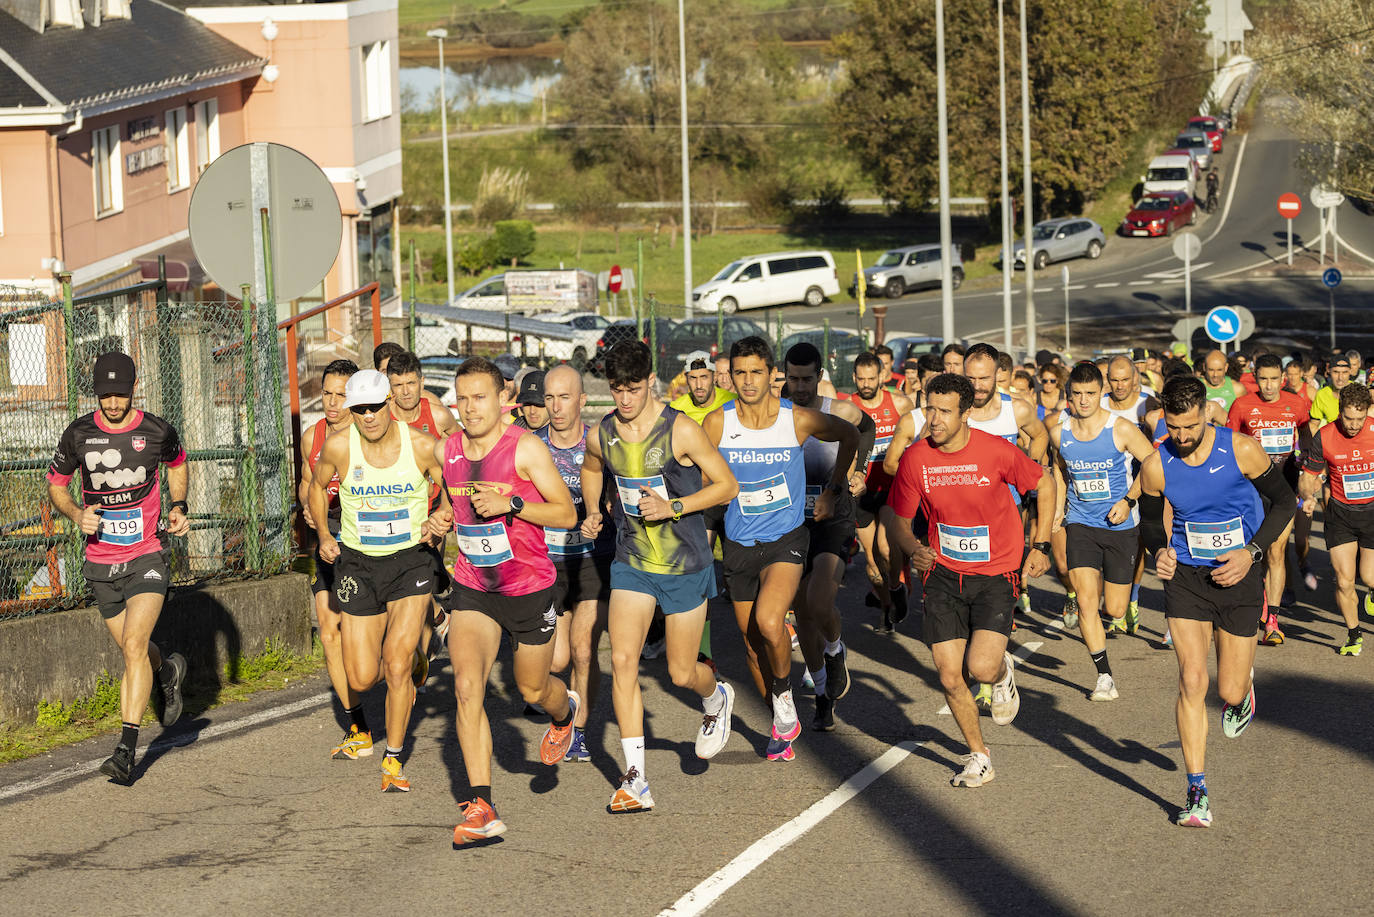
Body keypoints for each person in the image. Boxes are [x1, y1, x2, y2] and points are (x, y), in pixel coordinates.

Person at [580, 341, 740, 811]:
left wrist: (674, 506)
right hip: (632, 561)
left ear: (650, 381)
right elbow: (593, 467)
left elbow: (726, 485)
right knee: (624, 661)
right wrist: (593, 510)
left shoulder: (681, 430)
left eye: (632, 389)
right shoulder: (603, 433)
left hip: (685, 564)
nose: (624, 399)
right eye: (616, 390)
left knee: (681, 670)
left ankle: (716, 698)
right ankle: (636, 780)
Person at [1139, 375, 1296, 827]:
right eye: (1174, 427)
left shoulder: (1241, 450)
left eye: (1190, 426)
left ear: (1207, 412)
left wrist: (1251, 555)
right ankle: (1196, 790)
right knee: (1191, 679)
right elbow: (1150, 521)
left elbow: (1283, 504)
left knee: (1226, 689)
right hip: (1188, 577)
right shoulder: (1157, 464)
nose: (1182, 437)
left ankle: (1242, 691)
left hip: (1240, 577)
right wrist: (1160, 552)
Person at [886, 373, 1054, 787]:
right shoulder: (915, 458)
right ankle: (979, 755)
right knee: (947, 674)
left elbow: (1044, 484)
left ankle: (1000, 673)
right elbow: (898, 520)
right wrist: (912, 549)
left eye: (945, 411)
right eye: (930, 408)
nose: (935, 419)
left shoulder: (995, 452)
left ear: (966, 414)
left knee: (980, 668)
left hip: (997, 573)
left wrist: (1042, 544)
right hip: (944, 574)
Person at [439, 356, 581, 843]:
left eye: (480, 398)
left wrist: (512, 504)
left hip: (527, 587)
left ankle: (564, 715)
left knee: (533, 691)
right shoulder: (449, 449)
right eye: (462, 398)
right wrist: (438, 520)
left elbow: (566, 513)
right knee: (466, 687)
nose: (470, 408)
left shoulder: (524, 450)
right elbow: (449, 501)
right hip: (474, 586)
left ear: (504, 400)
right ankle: (481, 805)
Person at [704, 336, 859, 761]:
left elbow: (849, 436)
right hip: (738, 542)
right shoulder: (718, 423)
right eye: (740, 372)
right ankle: (780, 719)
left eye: (756, 371)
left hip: (787, 540)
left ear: (772, 375)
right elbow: (703, 482)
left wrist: (834, 488)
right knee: (752, 643)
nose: (748, 381)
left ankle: (788, 695)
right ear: (730, 376)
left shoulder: (797, 420)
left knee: (771, 621)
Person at [46, 352, 191, 785]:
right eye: (105, 395)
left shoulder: (156, 429)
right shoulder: (79, 433)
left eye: (120, 394)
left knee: (132, 645)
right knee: (137, 652)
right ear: (96, 393)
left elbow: (179, 461)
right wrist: (76, 515)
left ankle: (125, 751)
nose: (112, 403)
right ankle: (166, 670)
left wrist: (179, 505)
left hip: (147, 554)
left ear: (133, 389)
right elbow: (56, 484)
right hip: (100, 563)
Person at [307, 370, 449, 795]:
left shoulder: (422, 445)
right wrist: (324, 536)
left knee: (396, 664)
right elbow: (316, 489)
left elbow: (457, 486)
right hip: (358, 564)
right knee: (363, 676)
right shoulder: (338, 447)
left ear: (390, 402)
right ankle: (413, 666)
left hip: (411, 562)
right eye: (359, 409)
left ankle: (394, 759)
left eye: (374, 407)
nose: (368, 416)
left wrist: (443, 517)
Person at [1049, 362, 1154, 699]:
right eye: (1077, 394)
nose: (1084, 401)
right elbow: (1059, 471)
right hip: (1080, 523)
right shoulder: (1058, 432)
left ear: (1100, 393)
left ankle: (1123, 608)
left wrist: (1129, 499)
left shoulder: (1120, 428)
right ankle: (1104, 676)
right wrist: (1057, 515)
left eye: (1091, 393)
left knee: (1116, 610)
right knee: (1085, 601)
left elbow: (1152, 464)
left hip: (1120, 525)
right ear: (1069, 396)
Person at [783, 343, 870, 730]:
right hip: (791, 520)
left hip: (833, 514)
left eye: (806, 379)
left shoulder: (839, 411)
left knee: (819, 602)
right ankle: (822, 694)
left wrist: (855, 472)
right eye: (792, 378)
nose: (799, 387)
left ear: (819, 377)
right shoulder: (776, 412)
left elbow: (863, 430)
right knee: (802, 613)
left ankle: (836, 649)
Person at [538, 364, 616, 762]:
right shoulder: (531, 445)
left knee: (584, 650)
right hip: (548, 562)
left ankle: (581, 732)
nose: (556, 406)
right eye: (549, 397)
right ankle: (566, 714)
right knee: (557, 659)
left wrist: (603, 511)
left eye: (564, 397)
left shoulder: (600, 443)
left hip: (593, 559)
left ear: (582, 400)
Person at [298, 358, 375, 759]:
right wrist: (309, 509)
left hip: (370, 543)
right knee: (329, 630)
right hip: (329, 539)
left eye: (341, 395)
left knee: (371, 638)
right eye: (326, 394)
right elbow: (306, 483)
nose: (332, 402)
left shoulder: (372, 437)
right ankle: (357, 725)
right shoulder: (313, 436)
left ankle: (410, 651)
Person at [1226, 353, 1312, 644]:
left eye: (1274, 379)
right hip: (1251, 491)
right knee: (1255, 553)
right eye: (1263, 379)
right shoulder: (1242, 405)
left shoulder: (1297, 404)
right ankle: (1259, 601)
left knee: (1276, 551)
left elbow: (1307, 439)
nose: (1269, 385)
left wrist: (1307, 473)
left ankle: (1273, 620)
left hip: (1284, 490)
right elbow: (1229, 444)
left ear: (1283, 379)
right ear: (1255, 377)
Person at [384, 349, 457, 670]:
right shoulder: (382, 417)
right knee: (405, 588)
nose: (405, 391)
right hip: (395, 515)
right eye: (398, 385)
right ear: (390, 386)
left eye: (411, 383)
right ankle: (439, 618)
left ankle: (420, 664)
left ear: (421, 381)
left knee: (420, 580)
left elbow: (461, 453)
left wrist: (451, 504)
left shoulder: (438, 415)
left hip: (432, 514)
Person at [1299, 383, 1374, 656]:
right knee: (1343, 581)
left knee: (1369, 576)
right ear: (1339, 412)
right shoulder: (1325, 437)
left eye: (1360, 419)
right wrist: (1308, 495)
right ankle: (1354, 634)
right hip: (1340, 514)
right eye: (1348, 418)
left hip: (1372, 512)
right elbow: (1309, 478)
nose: (1354, 425)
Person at [841, 352, 915, 626]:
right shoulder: (846, 408)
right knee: (872, 560)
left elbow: (917, 440)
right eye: (861, 379)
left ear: (882, 376)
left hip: (892, 488)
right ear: (854, 378)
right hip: (860, 493)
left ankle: (897, 587)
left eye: (872, 378)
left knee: (886, 548)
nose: (866, 384)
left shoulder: (899, 403)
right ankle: (887, 605)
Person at [373, 341, 451, 417]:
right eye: (385, 371)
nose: (391, 374)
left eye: (395, 369)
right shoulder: (373, 400)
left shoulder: (429, 400)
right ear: (377, 372)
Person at [670, 352, 736, 423]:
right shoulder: (676, 408)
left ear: (715, 377)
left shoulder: (734, 402)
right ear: (686, 379)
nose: (699, 385)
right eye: (693, 378)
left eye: (704, 377)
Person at [1311, 354, 1353, 428]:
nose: (1340, 378)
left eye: (1344, 372)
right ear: (1329, 371)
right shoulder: (1322, 394)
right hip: (1332, 437)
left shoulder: (1360, 392)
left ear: (1350, 372)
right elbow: (1314, 424)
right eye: (1336, 372)